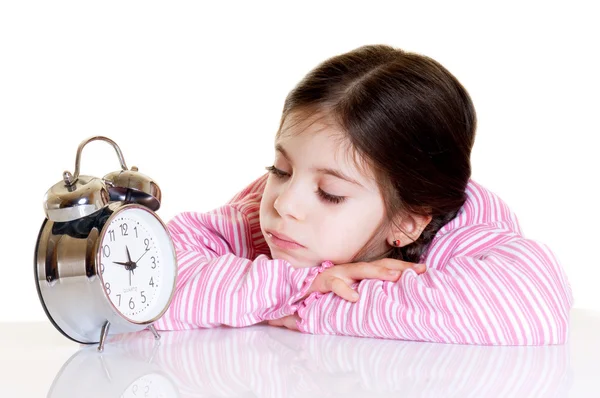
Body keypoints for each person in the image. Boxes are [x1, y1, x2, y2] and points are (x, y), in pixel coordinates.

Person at [153, 44, 573, 345]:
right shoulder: (264, 214)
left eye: (330, 193)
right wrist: (302, 282)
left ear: (407, 222)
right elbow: (145, 281)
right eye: (280, 169)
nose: (283, 202)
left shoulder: (459, 235)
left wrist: (313, 304)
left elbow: (531, 306)